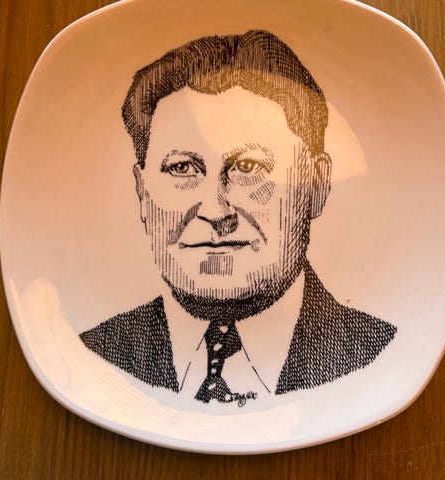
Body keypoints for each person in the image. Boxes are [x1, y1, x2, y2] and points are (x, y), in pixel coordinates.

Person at [80, 30, 396, 406]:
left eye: (247, 167)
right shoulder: (96, 357)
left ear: (315, 184)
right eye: (182, 168)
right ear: (142, 192)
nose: (216, 212)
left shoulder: (382, 357)